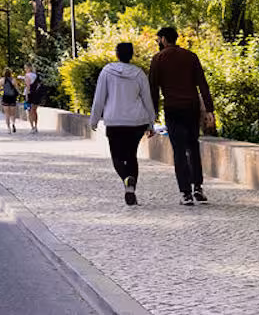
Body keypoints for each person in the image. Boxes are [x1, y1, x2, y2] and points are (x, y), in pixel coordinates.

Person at [149, 26, 215, 206]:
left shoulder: (158, 59)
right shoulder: (191, 56)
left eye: (158, 40)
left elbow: (153, 89)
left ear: (163, 39)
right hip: (191, 108)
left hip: (173, 109)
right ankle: (198, 188)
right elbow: (203, 84)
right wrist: (209, 110)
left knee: (179, 150)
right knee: (193, 147)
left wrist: (152, 115)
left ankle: (185, 193)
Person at [89, 42, 156, 206]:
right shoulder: (139, 74)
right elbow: (147, 99)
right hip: (136, 122)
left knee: (117, 157)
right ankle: (131, 187)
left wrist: (94, 119)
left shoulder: (107, 71)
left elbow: (100, 97)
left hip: (115, 121)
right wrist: (151, 123)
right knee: (131, 155)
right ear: (131, 55)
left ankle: (127, 178)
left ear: (117, 54)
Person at [21, 62, 42, 134]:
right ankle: (36, 126)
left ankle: (32, 127)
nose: (25, 69)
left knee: (29, 111)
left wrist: (26, 95)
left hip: (29, 94)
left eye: (25, 68)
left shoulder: (27, 75)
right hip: (36, 94)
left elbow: (28, 86)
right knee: (35, 111)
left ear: (29, 68)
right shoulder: (35, 75)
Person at [0, 68, 20, 133]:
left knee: (7, 114)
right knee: (13, 113)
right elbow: (17, 89)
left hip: (5, 97)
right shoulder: (13, 80)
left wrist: (3, 89)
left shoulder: (2, 80)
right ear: (10, 73)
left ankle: (8, 128)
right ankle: (13, 123)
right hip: (12, 97)